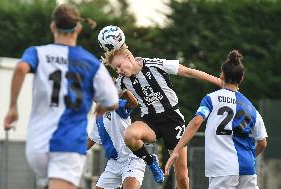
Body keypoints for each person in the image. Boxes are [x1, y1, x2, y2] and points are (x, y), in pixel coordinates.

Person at [3, 4, 118, 189]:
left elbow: (21, 68)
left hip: (37, 144)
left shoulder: (37, 52)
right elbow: (112, 101)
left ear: (53, 27)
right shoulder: (91, 63)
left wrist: (13, 107)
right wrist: (103, 104)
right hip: (67, 143)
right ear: (79, 29)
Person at [101, 44, 222, 187]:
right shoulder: (122, 81)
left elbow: (189, 72)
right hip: (150, 121)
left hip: (172, 121)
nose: (119, 71)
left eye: (120, 66)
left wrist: (220, 82)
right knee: (130, 135)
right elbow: (103, 96)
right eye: (116, 69)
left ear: (128, 57)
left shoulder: (155, 64)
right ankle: (151, 161)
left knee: (182, 177)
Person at [165, 50, 268, 189]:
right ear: (241, 78)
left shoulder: (211, 99)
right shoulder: (251, 108)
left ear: (222, 75)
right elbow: (262, 143)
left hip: (223, 168)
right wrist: (251, 158)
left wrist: (176, 150)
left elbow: (196, 122)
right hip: (247, 168)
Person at [87, 90, 146, 189]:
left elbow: (133, 103)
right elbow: (90, 141)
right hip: (114, 164)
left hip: (131, 159)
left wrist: (121, 91)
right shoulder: (99, 118)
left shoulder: (116, 104)